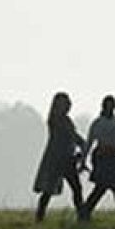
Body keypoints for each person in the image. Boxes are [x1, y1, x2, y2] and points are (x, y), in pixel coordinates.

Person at [32, 91, 86, 221]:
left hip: (67, 158)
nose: (68, 106)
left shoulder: (65, 120)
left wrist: (82, 145)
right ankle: (40, 215)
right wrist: (82, 144)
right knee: (50, 189)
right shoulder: (56, 120)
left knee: (76, 187)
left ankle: (82, 215)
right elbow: (70, 135)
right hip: (57, 159)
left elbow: (73, 136)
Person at [80, 94, 115, 221]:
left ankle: (86, 212)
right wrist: (83, 160)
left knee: (113, 188)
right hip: (102, 158)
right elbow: (90, 142)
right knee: (106, 188)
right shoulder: (98, 123)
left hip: (113, 158)